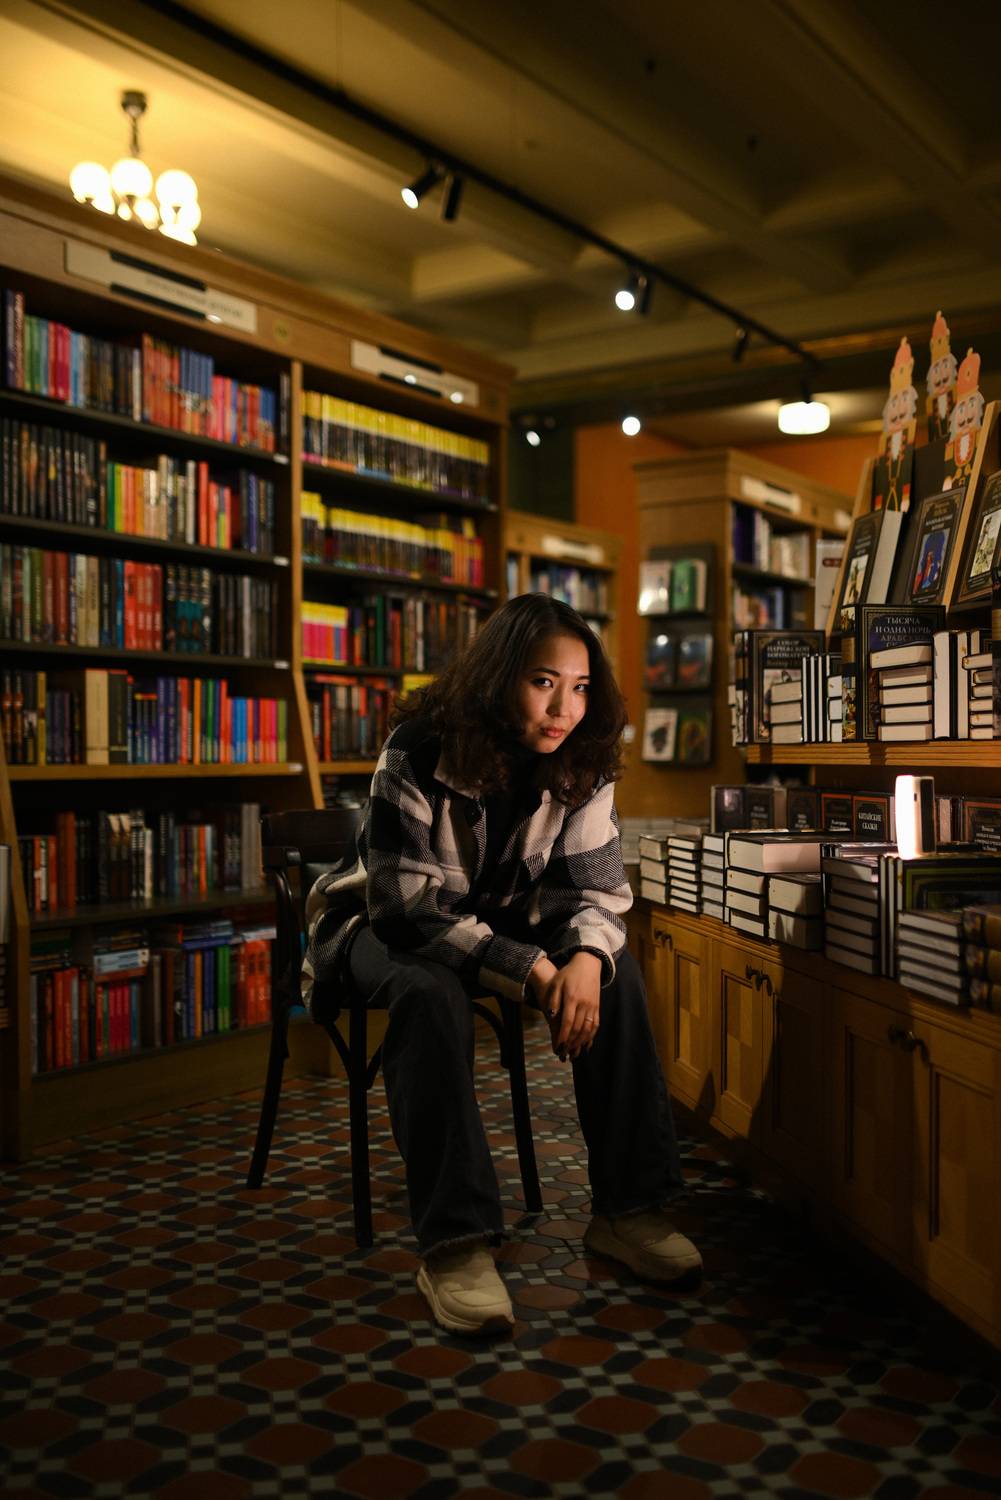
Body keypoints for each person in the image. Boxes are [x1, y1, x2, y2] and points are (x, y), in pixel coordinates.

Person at [303, 594, 701, 1335]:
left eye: (580, 687)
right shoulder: (419, 748)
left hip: (495, 920)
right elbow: (408, 910)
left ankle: (629, 1210)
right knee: (428, 993)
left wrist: (584, 959)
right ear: (498, 676)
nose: (564, 708)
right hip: (378, 925)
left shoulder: (583, 758)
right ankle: (454, 1245)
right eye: (543, 682)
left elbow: (594, 892)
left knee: (616, 976)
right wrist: (534, 971)